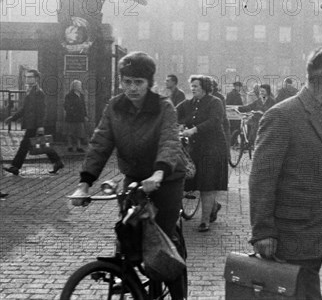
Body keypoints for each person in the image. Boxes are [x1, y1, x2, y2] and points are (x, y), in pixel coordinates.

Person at [68, 51, 187, 299]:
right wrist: (84, 184)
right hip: (134, 177)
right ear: (121, 82)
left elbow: (169, 142)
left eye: (138, 82)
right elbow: (100, 143)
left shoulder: (164, 107)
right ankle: (128, 276)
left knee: (163, 239)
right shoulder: (115, 106)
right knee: (127, 229)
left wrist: (158, 173)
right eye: (127, 81)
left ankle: (177, 290)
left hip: (166, 178)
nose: (132, 88)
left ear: (149, 83)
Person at [249, 47, 322, 299]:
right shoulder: (282, 116)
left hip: (316, 235)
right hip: (291, 237)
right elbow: (262, 178)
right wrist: (263, 231)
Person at [177, 75, 228, 232]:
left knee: (207, 183)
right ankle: (213, 206)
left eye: (196, 86)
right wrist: (177, 125)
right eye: (192, 86)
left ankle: (205, 220)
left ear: (205, 88)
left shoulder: (215, 102)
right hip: (195, 148)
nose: (193, 89)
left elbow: (214, 121)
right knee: (195, 179)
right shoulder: (188, 104)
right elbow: (173, 113)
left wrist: (194, 129)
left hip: (213, 148)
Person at [3, 69, 64, 175]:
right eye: (26, 77)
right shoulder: (30, 91)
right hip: (31, 124)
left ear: (36, 78)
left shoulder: (38, 93)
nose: (27, 79)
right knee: (42, 144)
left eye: (30, 77)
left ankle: (15, 167)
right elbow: (24, 109)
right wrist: (12, 118)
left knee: (25, 145)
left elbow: (41, 111)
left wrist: (40, 126)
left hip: (35, 124)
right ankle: (57, 162)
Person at [63, 80, 88, 153]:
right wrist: (73, 112)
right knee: (70, 132)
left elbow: (84, 106)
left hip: (80, 117)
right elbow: (66, 106)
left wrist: (85, 115)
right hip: (71, 117)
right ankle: (70, 146)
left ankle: (78, 147)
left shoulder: (82, 95)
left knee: (79, 133)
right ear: (74, 87)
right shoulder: (69, 95)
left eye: (80, 85)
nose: (80, 87)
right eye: (79, 85)